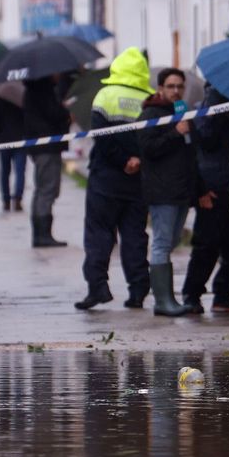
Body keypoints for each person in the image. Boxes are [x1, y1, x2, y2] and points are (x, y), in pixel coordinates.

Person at [76, 47, 152, 310]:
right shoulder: (149, 98)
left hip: (106, 178)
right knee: (134, 235)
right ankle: (138, 290)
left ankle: (98, 288)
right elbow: (152, 138)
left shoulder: (105, 95)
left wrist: (122, 161)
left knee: (99, 234)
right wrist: (137, 160)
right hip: (138, 181)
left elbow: (101, 136)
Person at [180, 84, 229, 315]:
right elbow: (204, 144)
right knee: (206, 246)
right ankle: (192, 294)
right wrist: (200, 192)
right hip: (212, 189)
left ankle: (223, 295)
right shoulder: (203, 115)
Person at [138, 68, 199, 317]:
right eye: (171, 86)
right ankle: (163, 301)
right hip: (162, 189)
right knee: (162, 243)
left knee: (172, 241)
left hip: (182, 190)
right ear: (160, 88)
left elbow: (191, 154)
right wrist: (176, 133)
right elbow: (148, 148)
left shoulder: (182, 113)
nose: (176, 91)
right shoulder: (151, 114)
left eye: (179, 87)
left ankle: (167, 296)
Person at [23, 73, 71, 248]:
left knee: (43, 189)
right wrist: (65, 111)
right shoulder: (43, 91)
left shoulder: (34, 89)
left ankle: (41, 233)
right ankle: (42, 235)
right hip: (47, 146)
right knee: (47, 189)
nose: (59, 75)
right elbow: (53, 113)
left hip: (41, 145)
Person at [0, 82, 28, 212]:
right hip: (20, 139)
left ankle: (6, 200)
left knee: (5, 171)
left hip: (4, 140)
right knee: (20, 171)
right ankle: (17, 198)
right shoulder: (23, 95)